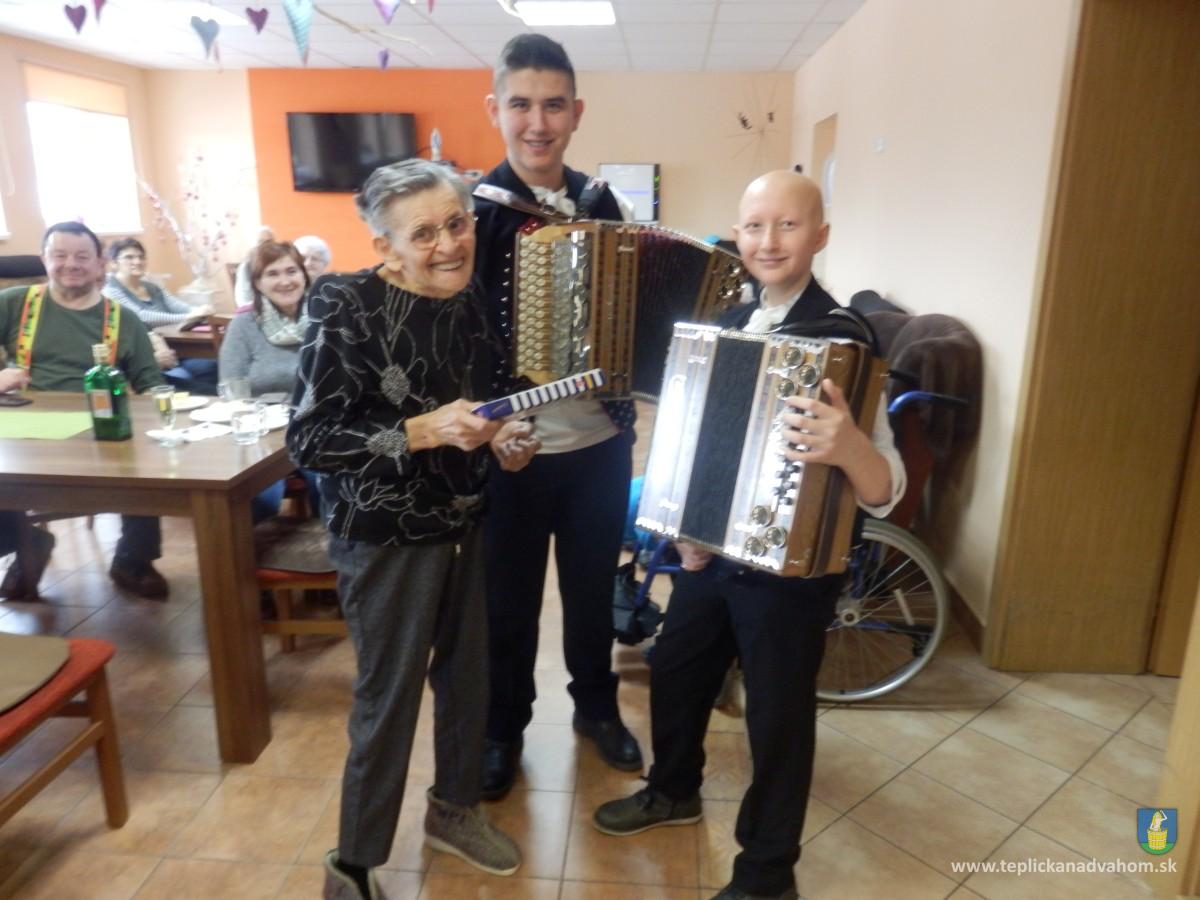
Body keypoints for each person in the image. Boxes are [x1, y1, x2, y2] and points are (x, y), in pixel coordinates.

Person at [592, 171, 907, 900]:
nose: (769, 240)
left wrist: (849, 445)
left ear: (820, 236)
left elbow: (885, 488)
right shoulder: (729, 324)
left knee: (777, 718)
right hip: (710, 560)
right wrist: (686, 529)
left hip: (792, 579)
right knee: (677, 669)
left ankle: (767, 874)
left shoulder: (847, 343)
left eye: (788, 225)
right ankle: (674, 790)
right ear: (737, 236)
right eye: (755, 226)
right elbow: (698, 442)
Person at [287, 159, 539, 900]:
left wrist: (508, 438)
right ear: (385, 247)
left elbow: (489, 402)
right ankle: (353, 865)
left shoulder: (468, 299)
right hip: (384, 536)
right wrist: (420, 432)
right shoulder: (345, 304)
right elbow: (310, 440)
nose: (449, 245)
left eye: (456, 224)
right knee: (388, 700)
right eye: (423, 234)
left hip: (466, 518)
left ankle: (453, 812)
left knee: (468, 681)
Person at [472, 32, 643, 801]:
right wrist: (486, 427)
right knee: (507, 604)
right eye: (521, 105)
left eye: (552, 105)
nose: (537, 123)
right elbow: (456, 342)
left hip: (599, 446)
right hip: (510, 453)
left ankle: (596, 707)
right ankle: (502, 727)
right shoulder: (471, 216)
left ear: (576, 111)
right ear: (496, 110)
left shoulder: (608, 206)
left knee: (590, 594)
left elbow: (636, 315)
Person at [0, 222, 172, 599]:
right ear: (44, 259)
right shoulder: (13, 303)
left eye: (82, 256)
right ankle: (26, 543)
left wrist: (168, 413)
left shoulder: (123, 319)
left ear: (99, 264)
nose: (71, 264)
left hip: (101, 429)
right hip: (25, 429)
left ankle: (133, 558)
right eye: (59, 255)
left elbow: (149, 382)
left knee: (143, 460)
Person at [220, 240, 316, 521]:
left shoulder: (326, 317)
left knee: (330, 488)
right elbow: (231, 386)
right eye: (272, 274)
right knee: (261, 501)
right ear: (258, 284)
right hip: (263, 432)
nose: (285, 281)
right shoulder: (244, 325)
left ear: (304, 276)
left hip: (317, 427)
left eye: (291, 271)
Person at [102, 237, 217, 394]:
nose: (137, 261)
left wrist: (201, 309)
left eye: (141, 257)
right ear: (114, 263)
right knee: (184, 377)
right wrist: (189, 317)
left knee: (211, 366)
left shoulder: (152, 287)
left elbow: (178, 306)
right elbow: (140, 316)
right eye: (129, 257)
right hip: (151, 355)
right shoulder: (111, 290)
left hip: (178, 348)